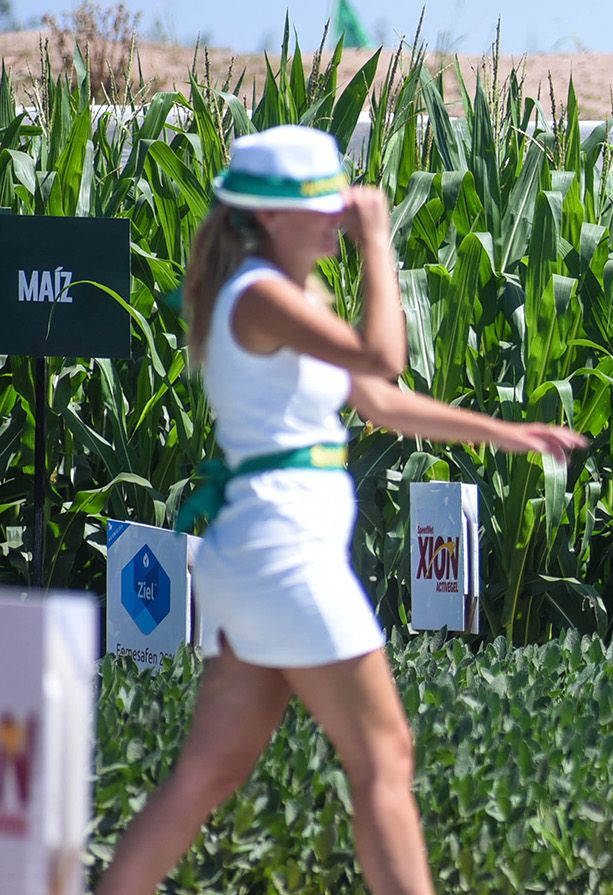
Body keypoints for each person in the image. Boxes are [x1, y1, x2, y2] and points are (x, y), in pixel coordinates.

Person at [97, 125, 587, 895]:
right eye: (322, 205)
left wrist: (507, 434)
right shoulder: (259, 294)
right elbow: (383, 356)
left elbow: (380, 403)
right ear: (269, 216)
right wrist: (379, 243)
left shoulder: (281, 295)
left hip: (257, 558)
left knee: (206, 774)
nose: (340, 213)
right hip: (286, 557)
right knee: (385, 757)